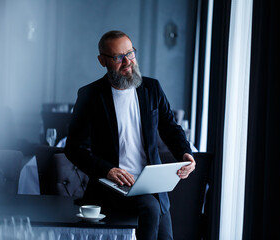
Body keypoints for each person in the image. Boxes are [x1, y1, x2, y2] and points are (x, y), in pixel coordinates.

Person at [65, 30, 196, 240]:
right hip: (113, 186)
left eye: (130, 53)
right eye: (118, 57)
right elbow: (73, 148)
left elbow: (170, 127)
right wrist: (107, 170)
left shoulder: (152, 88)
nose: (127, 62)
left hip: (152, 184)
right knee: (150, 207)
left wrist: (185, 153)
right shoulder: (90, 95)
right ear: (102, 61)